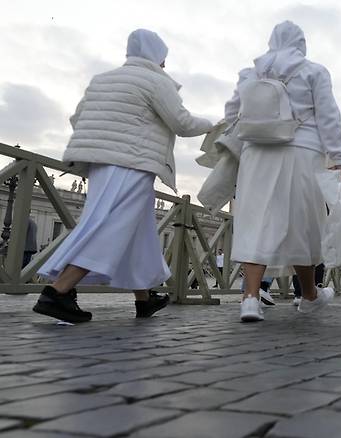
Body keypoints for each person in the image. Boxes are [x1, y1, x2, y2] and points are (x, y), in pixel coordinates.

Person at [33, 29, 213, 323]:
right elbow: (181, 122)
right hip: (133, 162)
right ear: (157, 56)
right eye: (164, 58)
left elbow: (78, 118)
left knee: (138, 233)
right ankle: (58, 291)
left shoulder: (102, 80)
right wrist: (212, 125)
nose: (165, 65)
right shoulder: (156, 80)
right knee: (110, 227)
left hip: (100, 162)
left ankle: (144, 298)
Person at [225, 21, 341, 322]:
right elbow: (328, 116)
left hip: (256, 151)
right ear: (301, 44)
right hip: (301, 152)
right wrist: (339, 156)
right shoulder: (314, 71)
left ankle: (250, 299)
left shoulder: (250, 73)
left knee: (257, 220)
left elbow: (231, 112)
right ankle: (309, 294)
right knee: (302, 222)